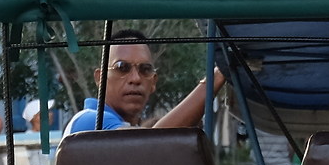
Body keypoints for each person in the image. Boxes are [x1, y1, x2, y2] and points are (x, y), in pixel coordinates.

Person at [60, 30, 220, 136]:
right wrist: (217, 77)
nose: (135, 78)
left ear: (154, 82)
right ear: (100, 78)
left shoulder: (130, 128)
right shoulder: (91, 120)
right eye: (122, 67)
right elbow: (149, 147)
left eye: (145, 69)